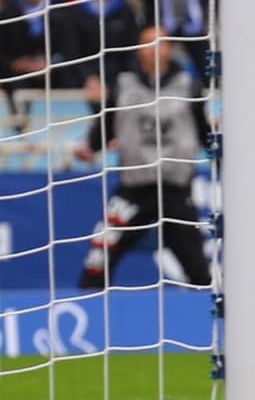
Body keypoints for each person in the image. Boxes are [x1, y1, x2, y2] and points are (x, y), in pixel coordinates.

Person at [75, 26, 212, 289]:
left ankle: (207, 310)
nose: (154, 49)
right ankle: (90, 306)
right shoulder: (124, 84)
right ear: (138, 50)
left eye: (160, 43)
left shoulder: (188, 85)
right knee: (98, 259)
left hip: (174, 189)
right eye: (148, 43)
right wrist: (91, 146)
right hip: (133, 189)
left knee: (197, 267)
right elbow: (107, 123)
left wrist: (218, 153)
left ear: (170, 49)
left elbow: (202, 128)